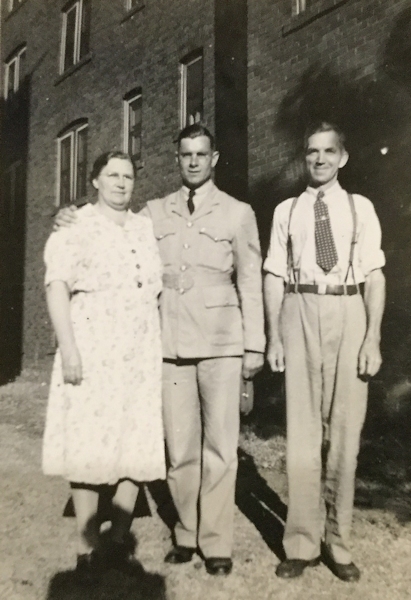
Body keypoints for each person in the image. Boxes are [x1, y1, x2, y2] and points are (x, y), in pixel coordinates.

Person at [54, 124, 266, 576]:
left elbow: (250, 279)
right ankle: (187, 534)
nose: (193, 161)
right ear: (177, 160)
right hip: (168, 345)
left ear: (215, 158)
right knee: (180, 448)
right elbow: (106, 217)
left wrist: (255, 345)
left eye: (201, 153)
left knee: (221, 448)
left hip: (222, 343)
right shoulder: (153, 211)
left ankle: (217, 543)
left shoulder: (238, 212)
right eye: (185, 154)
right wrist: (64, 214)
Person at [264, 122, 385, 582]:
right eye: (312, 152)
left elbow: (375, 275)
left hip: (349, 310)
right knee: (301, 432)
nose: (319, 159)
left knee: (346, 436)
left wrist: (372, 337)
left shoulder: (361, 208)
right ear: (304, 157)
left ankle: (338, 542)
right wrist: (274, 335)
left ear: (343, 157)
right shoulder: (286, 210)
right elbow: (273, 274)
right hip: (299, 309)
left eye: (328, 151)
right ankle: (301, 542)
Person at [43, 151, 165, 583]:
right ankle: (86, 546)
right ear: (94, 181)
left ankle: (118, 543)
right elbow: (57, 287)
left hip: (140, 348)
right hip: (92, 345)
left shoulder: (144, 227)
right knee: (88, 446)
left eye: (128, 176)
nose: (120, 183)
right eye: (111, 175)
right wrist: (70, 349)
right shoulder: (75, 225)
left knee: (136, 441)